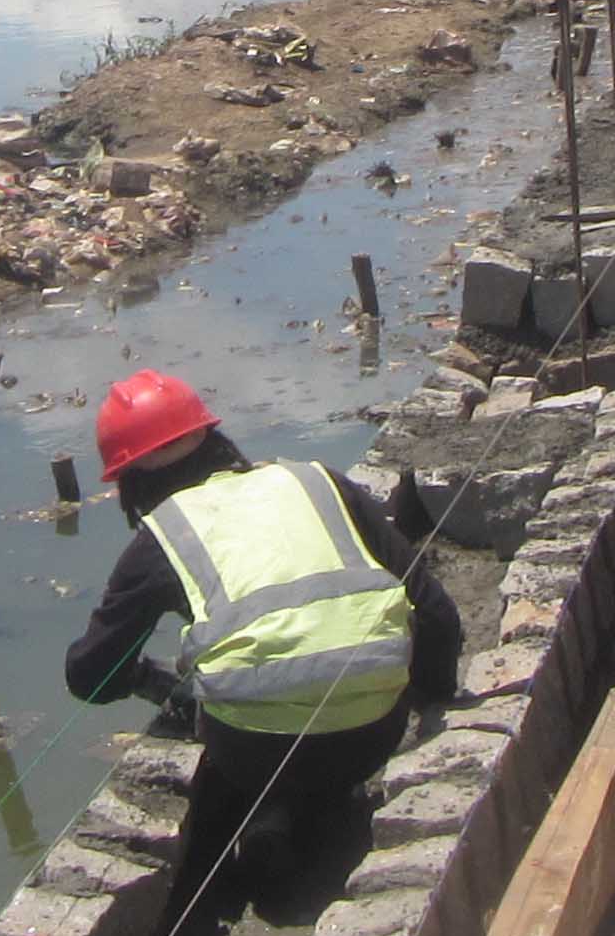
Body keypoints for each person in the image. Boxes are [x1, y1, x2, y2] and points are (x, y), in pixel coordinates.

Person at [61, 368, 461, 880]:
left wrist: (150, 679)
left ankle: (264, 819)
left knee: (222, 708)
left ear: (129, 481)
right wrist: (432, 708)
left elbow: (88, 676)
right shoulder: (318, 482)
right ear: (216, 438)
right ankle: (306, 811)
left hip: (255, 755)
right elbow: (436, 613)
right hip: (374, 732)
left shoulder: (159, 538)